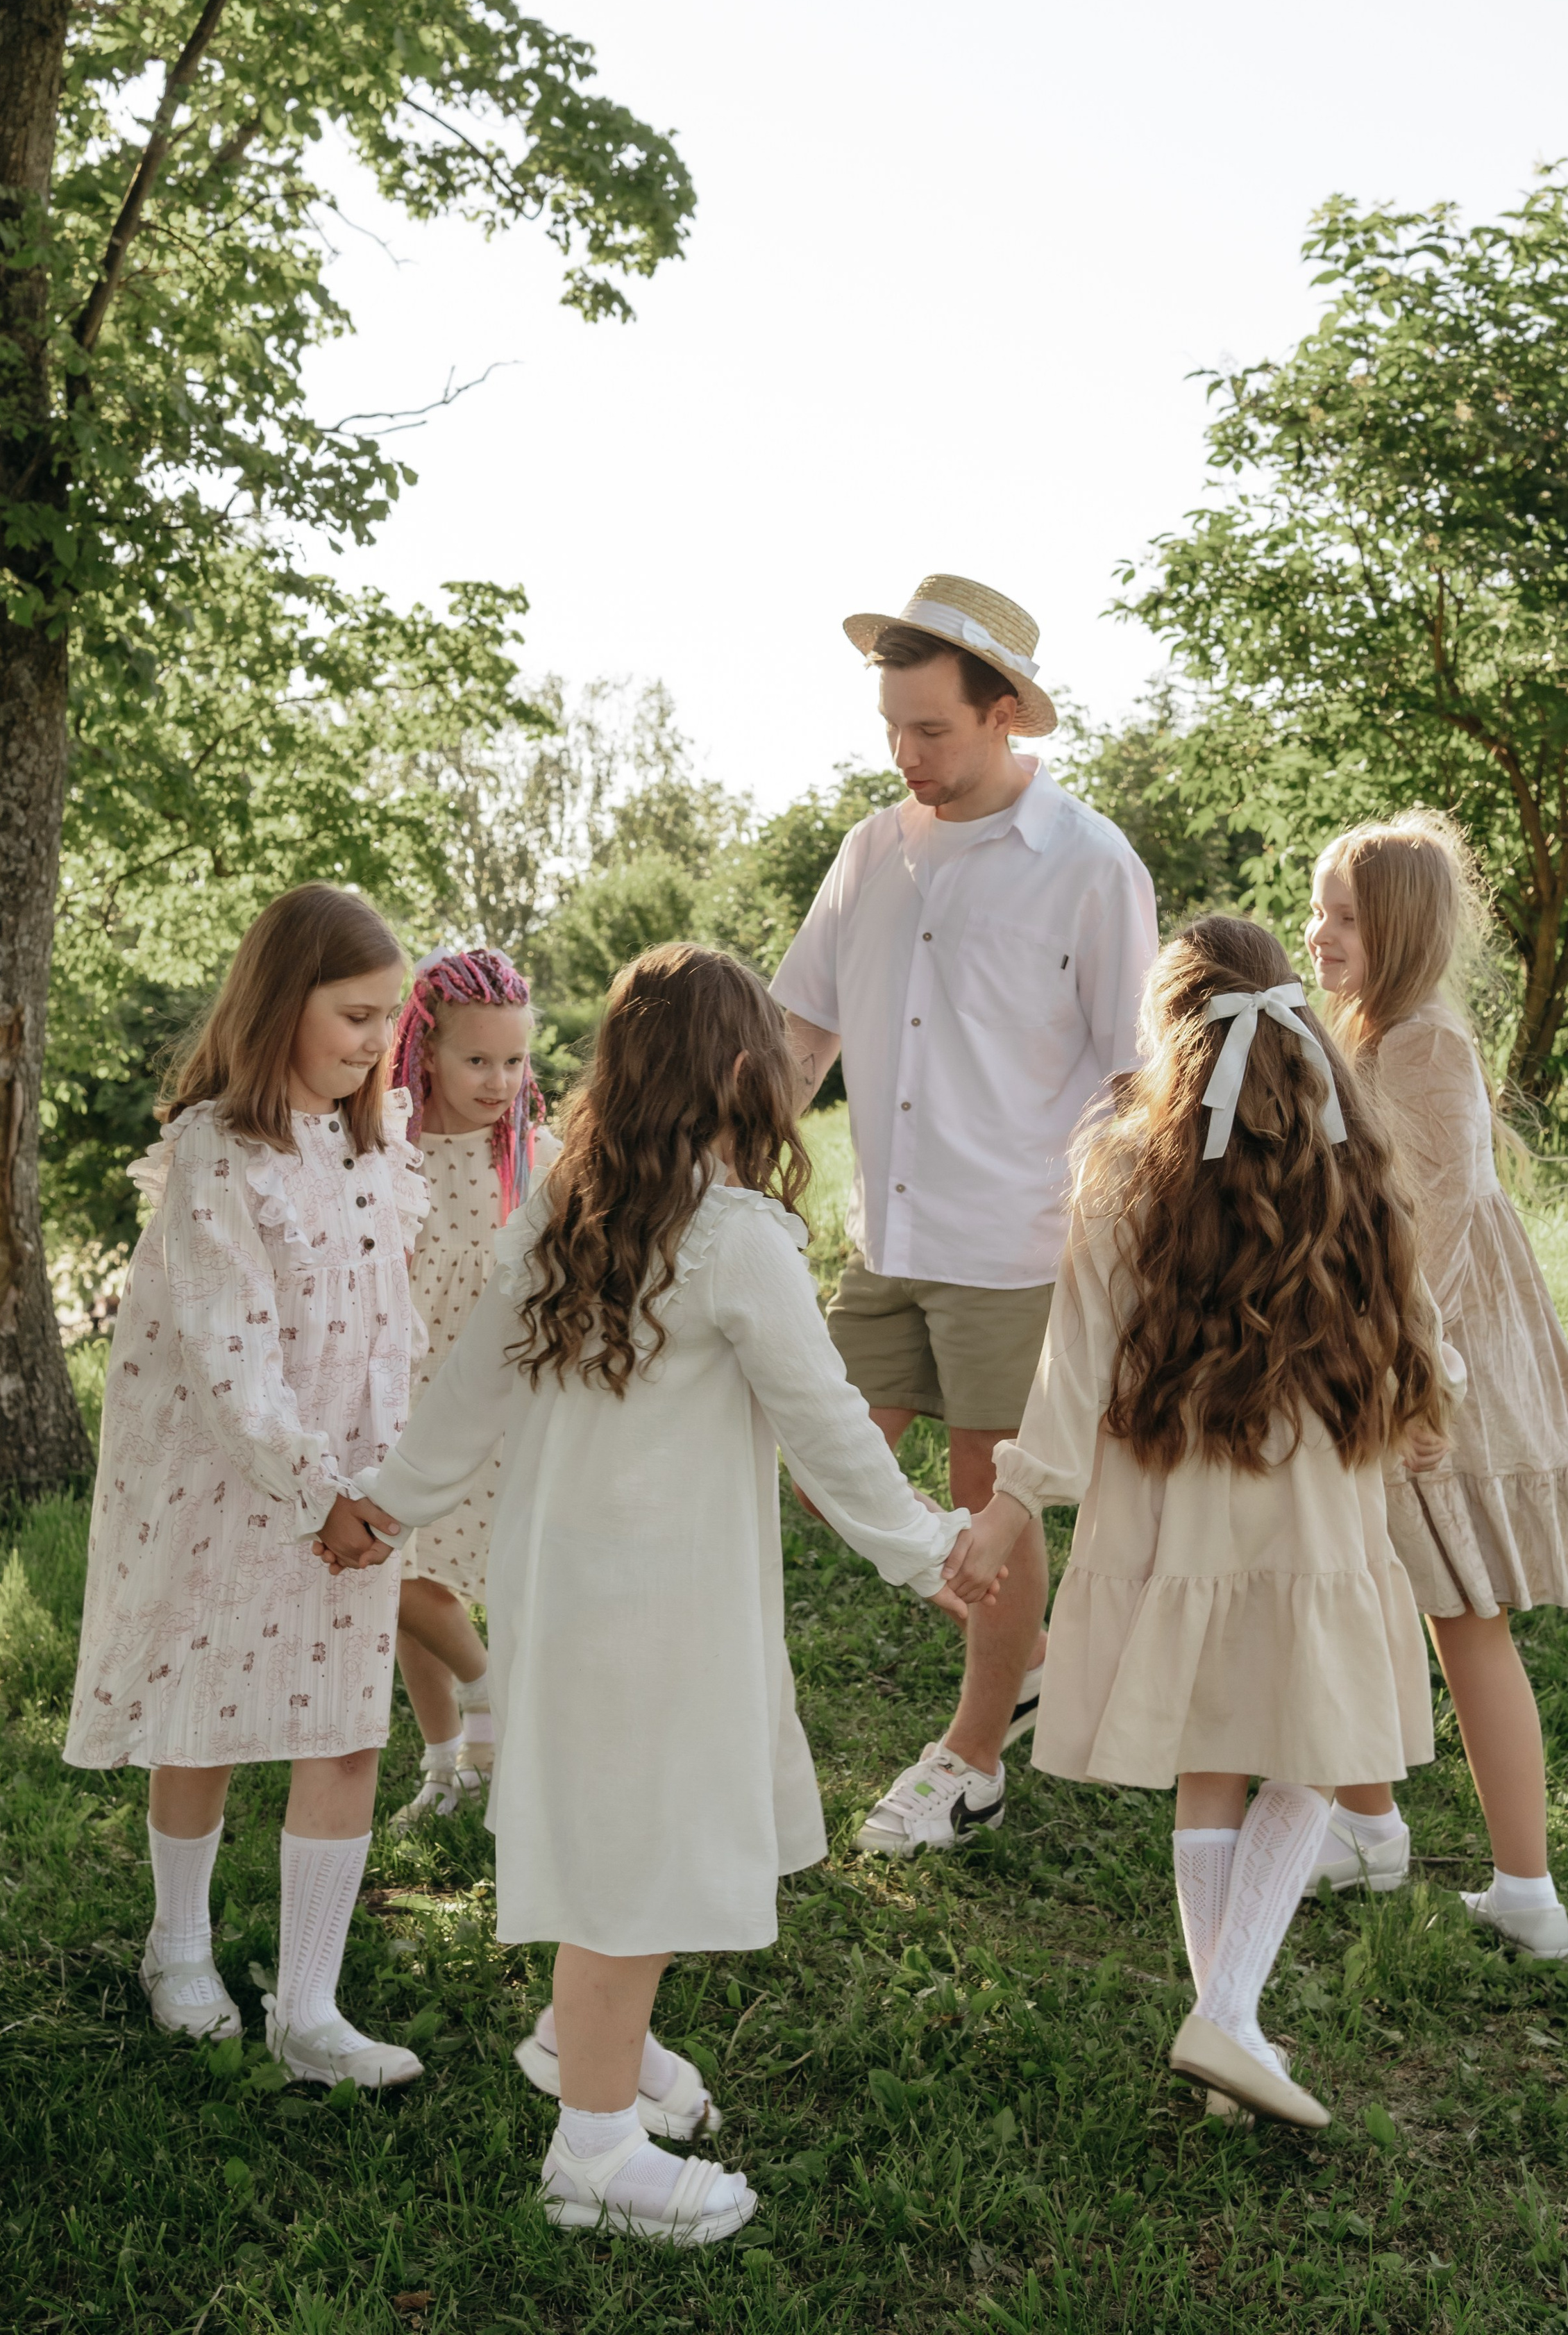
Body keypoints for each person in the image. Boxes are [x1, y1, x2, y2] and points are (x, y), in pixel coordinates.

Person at [333, 945, 997, 2241]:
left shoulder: (566, 1207)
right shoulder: (732, 1236)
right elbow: (828, 1427)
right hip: (661, 1608)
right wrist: (927, 1550)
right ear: (747, 1077)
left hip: (563, 1588)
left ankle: (589, 2046)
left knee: (629, 1830)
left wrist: (388, 1505)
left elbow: (464, 1393)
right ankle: (593, 2154)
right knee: (637, 1864)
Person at [946, 914, 1461, 2128]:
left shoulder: (1129, 1165)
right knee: (1325, 1756)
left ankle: (1228, 2015)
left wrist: (1010, 1507)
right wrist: (1430, 1404)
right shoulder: (1347, 1141)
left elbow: (1073, 1378)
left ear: (1170, 1026)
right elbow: (1411, 1301)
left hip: (1176, 1504)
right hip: (1313, 1501)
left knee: (1214, 1762)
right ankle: (1227, 2015)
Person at [770, 572, 1157, 1857]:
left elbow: (1132, 1078)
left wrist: (1123, 1258)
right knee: (830, 1474)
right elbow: (800, 1031)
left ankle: (975, 1753)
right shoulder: (872, 850)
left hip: (1014, 1245)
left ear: (1007, 719)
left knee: (991, 1501)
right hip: (888, 1240)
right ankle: (1034, 1652)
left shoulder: (1091, 865)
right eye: (893, 728)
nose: (907, 756)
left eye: (931, 730)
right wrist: (705, 1159)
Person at [62, 883, 431, 2088]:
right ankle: (179, 1941)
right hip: (234, 1474)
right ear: (283, 1002)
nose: (378, 1039)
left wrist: (382, 1485)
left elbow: (393, 1326)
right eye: (355, 1013)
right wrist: (311, 1486)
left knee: (343, 1721)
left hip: (359, 1491)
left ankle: (310, 2007)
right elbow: (232, 1352)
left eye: (390, 1017)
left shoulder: (380, 1146)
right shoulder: (219, 1149)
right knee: (207, 1709)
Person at [1306, 814, 1568, 1959]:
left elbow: (1445, 1235)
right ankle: (1367, 1818)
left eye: (1344, 915)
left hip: (1435, 1360)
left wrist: (1417, 1382)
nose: (1319, 931)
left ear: (1404, 927)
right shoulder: (1381, 1034)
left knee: (1460, 1612)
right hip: (1395, 1348)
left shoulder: (1425, 1047)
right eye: (1321, 909)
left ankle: (1526, 1889)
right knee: (1371, 1584)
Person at [384, 946, 560, 1827]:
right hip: (399, 1396)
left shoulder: (536, 1160)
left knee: (433, 1579)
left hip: (493, 1404)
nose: (499, 1080)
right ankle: (458, 1743)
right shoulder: (386, 1153)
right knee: (397, 1575)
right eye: (477, 1060)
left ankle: (478, 1743)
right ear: (424, 1054)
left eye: (515, 1060)